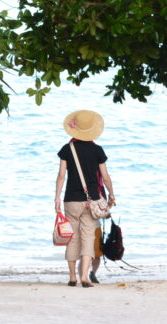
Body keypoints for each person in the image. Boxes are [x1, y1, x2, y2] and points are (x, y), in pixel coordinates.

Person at [55, 109, 116, 287]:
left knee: (72, 237)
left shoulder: (67, 149)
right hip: (92, 202)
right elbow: (105, 177)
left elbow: (61, 176)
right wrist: (111, 194)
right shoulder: (97, 150)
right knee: (88, 237)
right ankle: (84, 277)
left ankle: (72, 277)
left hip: (71, 200)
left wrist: (57, 198)